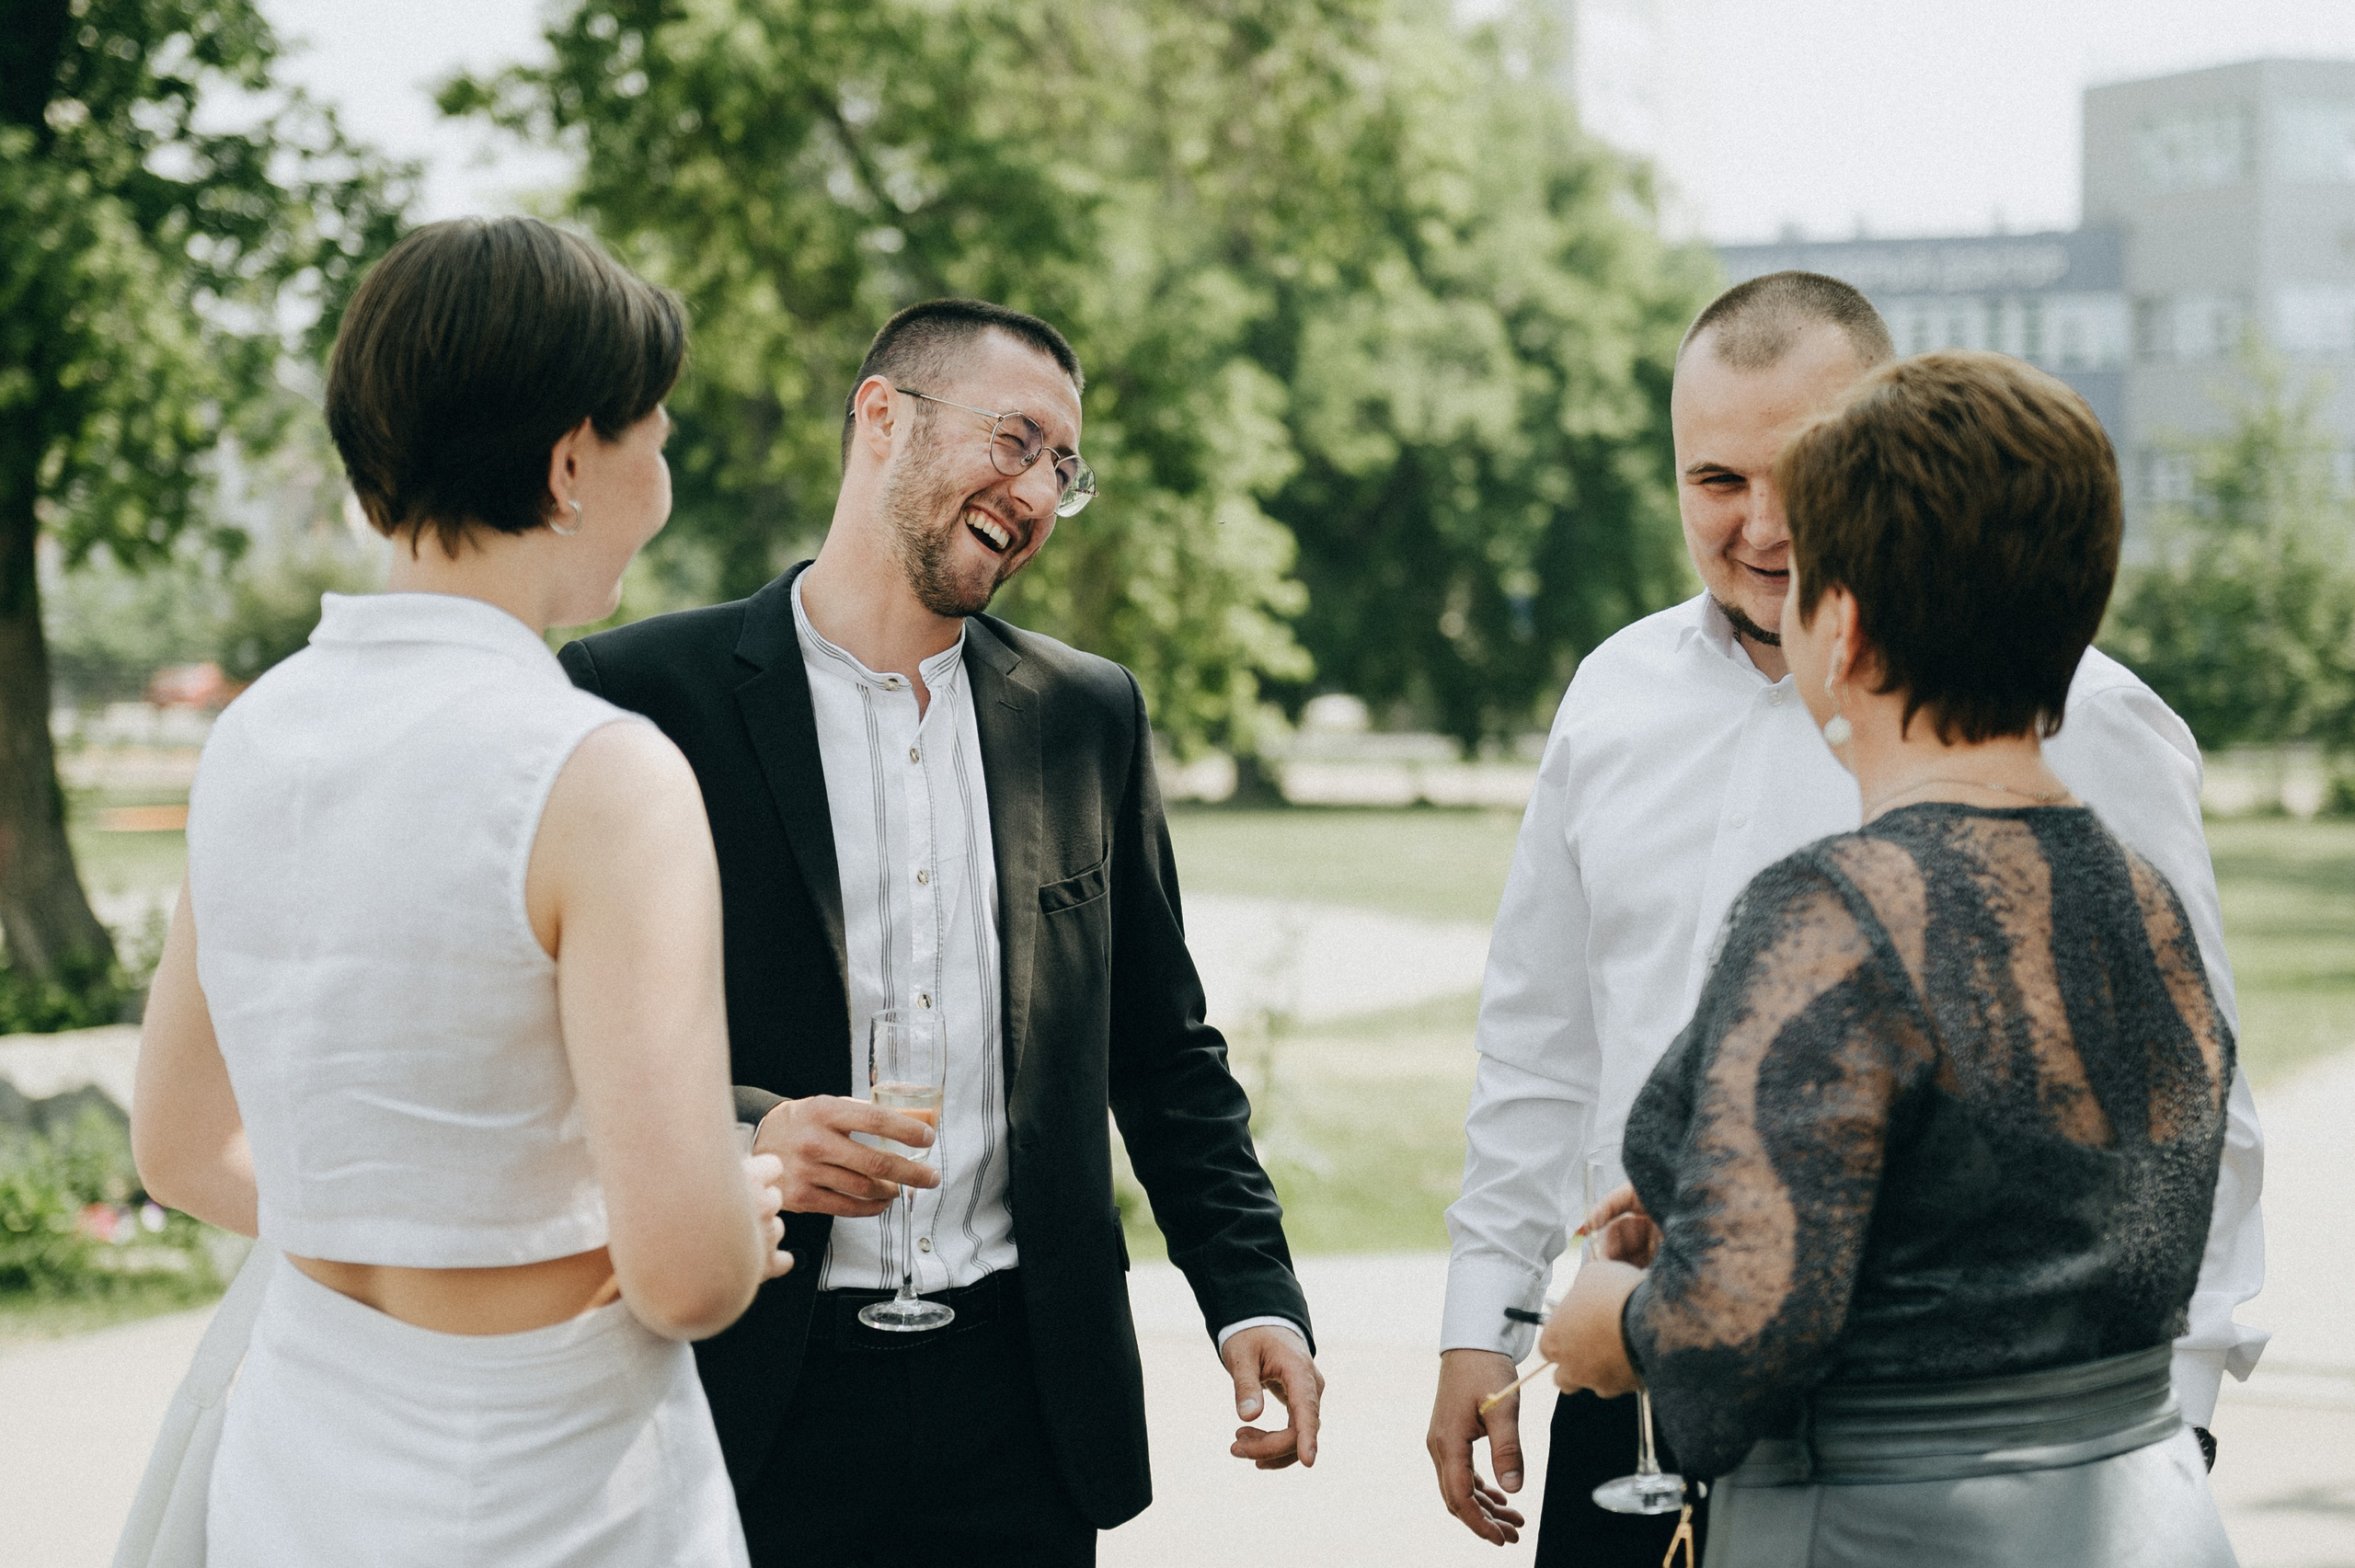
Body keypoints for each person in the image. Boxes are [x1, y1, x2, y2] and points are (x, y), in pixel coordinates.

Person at [1427, 273, 2265, 1563]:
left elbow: (2191, 1113)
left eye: (1805, 480)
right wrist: (1487, 1308)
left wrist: (2175, 1418)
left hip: (1851, 1464)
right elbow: (1541, 1037)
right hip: (1681, 1435)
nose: (1768, 527)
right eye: (1717, 481)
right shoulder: (1612, 694)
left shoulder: (2071, 735)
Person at [558, 297, 1322, 1566]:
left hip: (1022, 1408)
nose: (1036, 492)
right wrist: (754, 1133)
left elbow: (1165, 1049)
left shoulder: (1088, 717)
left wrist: (1253, 1294)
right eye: (1016, 440)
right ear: (880, 417)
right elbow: (559, 1049)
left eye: (1063, 470)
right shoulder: (638, 697)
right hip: (753, 1394)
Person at [131, 216, 792, 1563]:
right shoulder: (606, 776)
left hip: (303, 1457)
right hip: (555, 1485)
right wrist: (749, 1189)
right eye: (652, 441)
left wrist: (422, 1217)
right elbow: (687, 1274)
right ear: (568, 465)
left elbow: (182, 1145)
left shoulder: (254, 735)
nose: (662, 483)